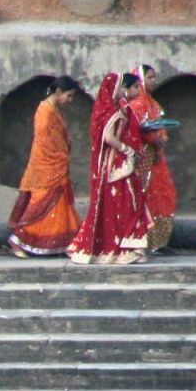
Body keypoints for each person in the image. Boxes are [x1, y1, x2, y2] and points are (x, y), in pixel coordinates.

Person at [68, 73, 152, 265]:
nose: (124, 91)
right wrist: (128, 150)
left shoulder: (115, 108)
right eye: (123, 87)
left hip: (119, 164)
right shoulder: (109, 112)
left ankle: (128, 247)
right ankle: (121, 249)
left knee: (127, 202)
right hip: (115, 165)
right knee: (124, 202)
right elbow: (109, 139)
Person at [6, 75, 82, 257]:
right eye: (69, 96)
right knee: (39, 204)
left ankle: (67, 243)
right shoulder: (45, 111)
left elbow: (60, 137)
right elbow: (45, 141)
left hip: (57, 166)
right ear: (58, 92)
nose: (70, 101)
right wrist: (60, 156)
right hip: (45, 166)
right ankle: (18, 241)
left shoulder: (54, 109)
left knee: (61, 204)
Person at [134, 64, 178, 252]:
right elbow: (138, 129)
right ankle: (146, 241)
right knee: (146, 196)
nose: (154, 81)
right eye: (150, 77)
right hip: (144, 159)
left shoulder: (153, 103)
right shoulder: (136, 104)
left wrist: (161, 139)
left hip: (157, 158)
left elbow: (160, 127)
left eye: (154, 77)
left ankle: (160, 242)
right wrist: (153, 139)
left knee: (163, 195)